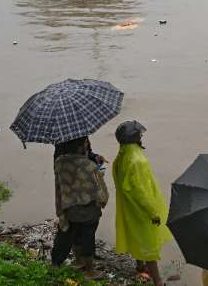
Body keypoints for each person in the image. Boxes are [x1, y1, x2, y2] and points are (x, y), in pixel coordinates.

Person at [112, 121, 172, 286]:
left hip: (129, 208)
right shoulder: (137, 160)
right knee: (149, 244)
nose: (142, 136)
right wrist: (152, 212)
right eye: (140, 134)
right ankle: (158, 281)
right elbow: (141, 192)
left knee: (136, 236)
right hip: (141, 210)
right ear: (135, 137)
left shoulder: (122, 155)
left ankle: (139, 265)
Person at [51, 136, 109, 279]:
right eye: (85, 143)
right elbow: (99, 193)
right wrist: (99, 174)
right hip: (87, 210)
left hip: (69, 207)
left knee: (75, 234)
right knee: (88, 238)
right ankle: (90, 271)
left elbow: (60, 186)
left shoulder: (59, 162)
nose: (87, 144)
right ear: (80, 146)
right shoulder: (89, 166)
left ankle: (78, 262)